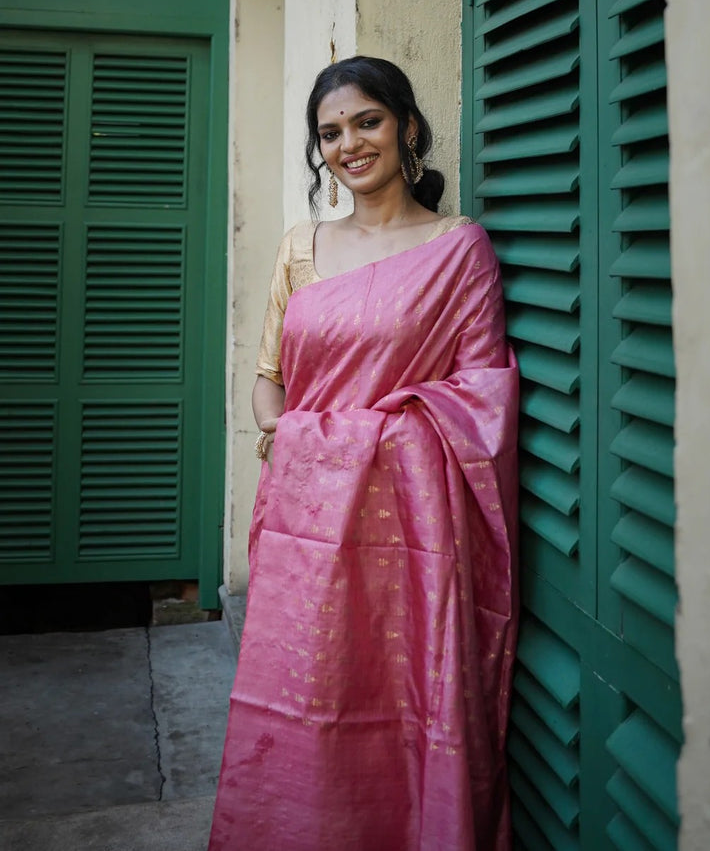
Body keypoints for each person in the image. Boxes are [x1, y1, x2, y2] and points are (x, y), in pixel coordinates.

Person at [208, 57, 519, 851]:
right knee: (300, 700)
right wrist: (292, 438)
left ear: (407, 126)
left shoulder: (458, 249)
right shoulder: (300, 247)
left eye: (366, 121)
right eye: (330, 133)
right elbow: (269, 381)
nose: (349, 144)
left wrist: (359, 436)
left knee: (401, 701)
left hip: (411, 536)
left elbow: (482, 394)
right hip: (303, 528)